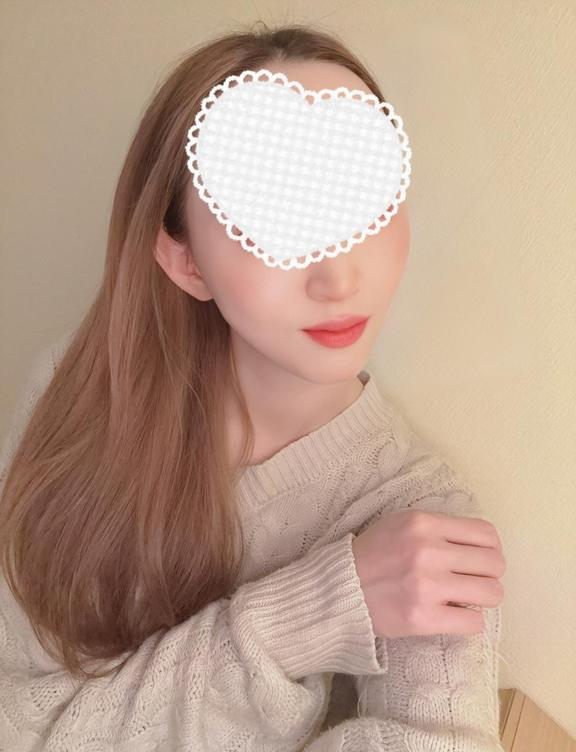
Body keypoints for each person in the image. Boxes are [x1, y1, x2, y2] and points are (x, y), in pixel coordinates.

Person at [0, 22, 506, 751]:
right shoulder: (74, 396)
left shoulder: (418, 522)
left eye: (362, 199)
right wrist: (312, 615)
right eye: (274, 219)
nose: (338, 277)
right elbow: (22, 726)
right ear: (185, 261)